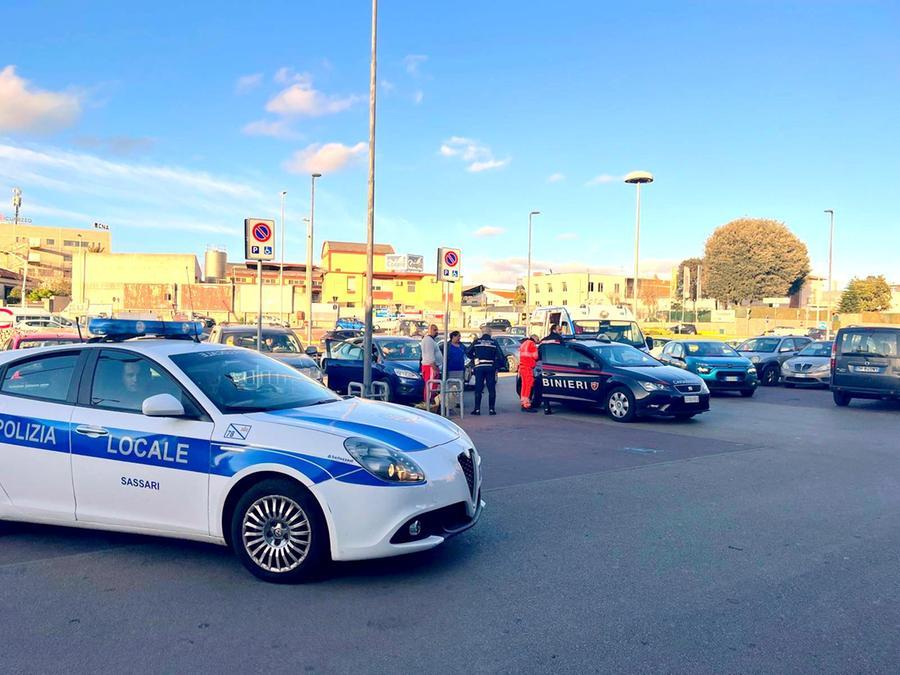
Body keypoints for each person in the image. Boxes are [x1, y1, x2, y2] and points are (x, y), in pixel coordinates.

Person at [466, 327, 504, 415]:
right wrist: (497, 365)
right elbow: (500, 356)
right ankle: (491, 409)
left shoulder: (477, 342)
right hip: (490, 367)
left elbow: (468, 352)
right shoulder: (494, 342)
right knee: (491, 389)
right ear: (490, 333)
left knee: (478, 388)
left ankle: (477, 409)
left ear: (482, 333)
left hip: (479, 367)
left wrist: (474, 358)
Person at [420, 324, 442, 404]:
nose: (436, 332)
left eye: (437, 330)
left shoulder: (431, 340)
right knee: (430, 386)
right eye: (434, 330)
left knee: (433, 386)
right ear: (429, 330)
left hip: (431, 366)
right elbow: (430, 356)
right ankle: (428, 404)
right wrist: (434, 368)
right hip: (430, 367)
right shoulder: (428, 340)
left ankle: (430, 403)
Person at [518, 334, 539, 412]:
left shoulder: (524, 343)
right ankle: (527, 405)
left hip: (522, 367)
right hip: (528, 367)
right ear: (535, 338)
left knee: (524, 386)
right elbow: (535, 356)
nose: (537, 341)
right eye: (537, 339)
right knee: (528, 385)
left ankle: (523, 403)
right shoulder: (532, 344)